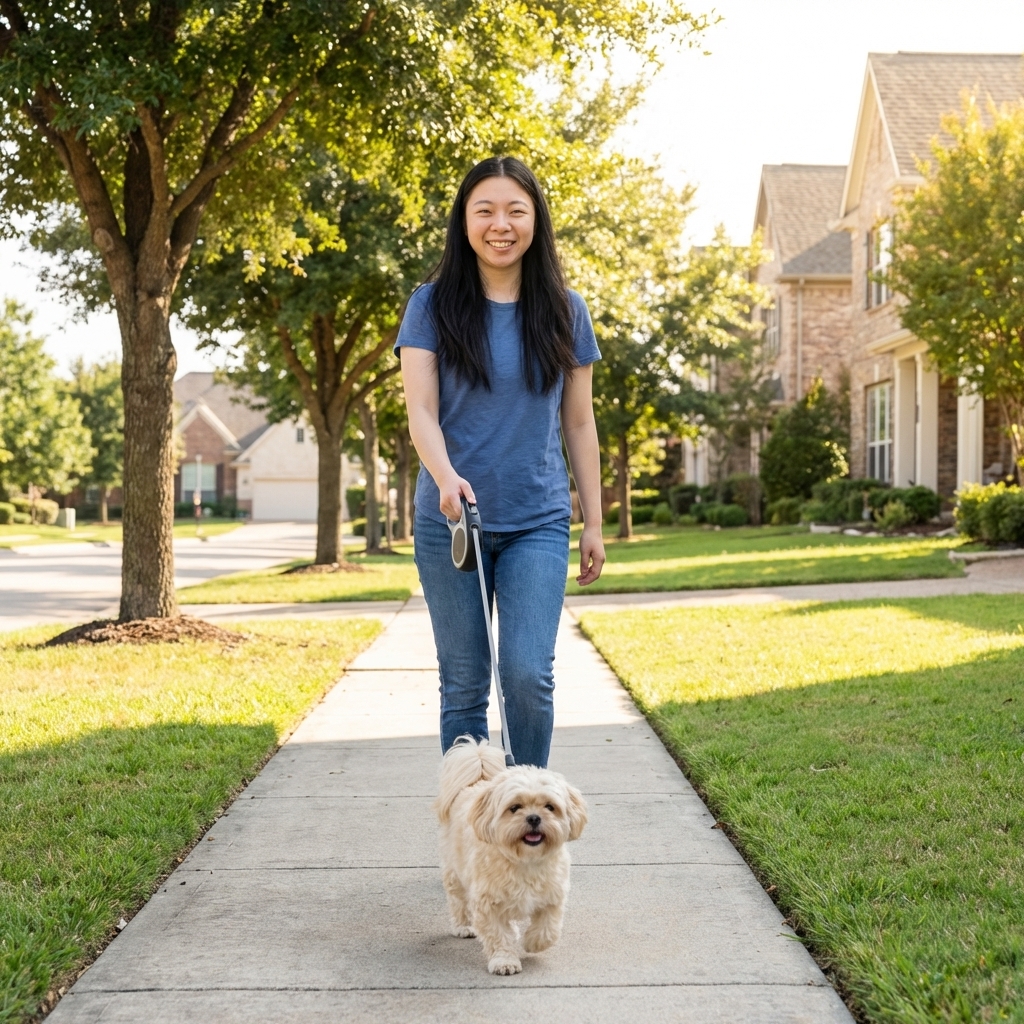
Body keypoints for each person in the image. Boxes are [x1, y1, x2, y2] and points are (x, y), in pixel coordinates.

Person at [397, 155, 605, 769]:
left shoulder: (567, 310)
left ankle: (530, 836)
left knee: (526, 674)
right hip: (451, 521)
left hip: (537, 519)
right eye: (484, 210)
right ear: (464, 221)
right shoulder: (430, 306)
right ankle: (468, 842)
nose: (501, 224)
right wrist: (444, 476)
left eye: (516, 210)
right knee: (464, 686)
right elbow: (421, 413)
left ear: (536, 220)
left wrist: (592, 521)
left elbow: (579, 422)